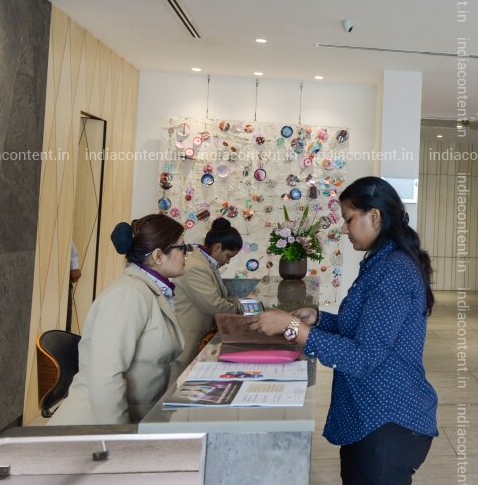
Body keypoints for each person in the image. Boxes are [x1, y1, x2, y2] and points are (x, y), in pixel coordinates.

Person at [249, 176, 438, 484]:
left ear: (373, 216)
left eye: (349, 219)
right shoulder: (381, 262)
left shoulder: (394, 270)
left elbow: (364, 356)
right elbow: (366, 329)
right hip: (369, 413)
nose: (344, 229)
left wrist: (292, 327)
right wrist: (318, 319)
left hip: (388, 417)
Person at [49, 214, 189, 425]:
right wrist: (119, 435)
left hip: (134, 419)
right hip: (96, 428)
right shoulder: (128, 294)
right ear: (158, 256)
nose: (187, 253)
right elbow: (105, 376)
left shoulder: (149, 291)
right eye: (182, 248)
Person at [173, 217, 243, 372]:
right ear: (217, 247)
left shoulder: (206, 264)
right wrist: (244, 309)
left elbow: (221, 298)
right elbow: (214, 305)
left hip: (200, 338)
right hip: (188, 341)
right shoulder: (195, 267)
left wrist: (242, 303)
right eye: (229, 256)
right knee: (176, 384)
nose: (228, 262)